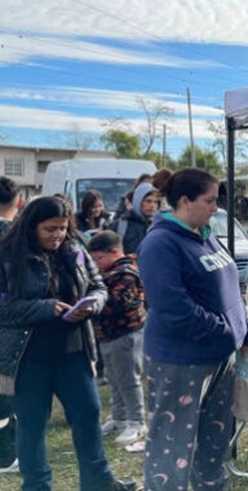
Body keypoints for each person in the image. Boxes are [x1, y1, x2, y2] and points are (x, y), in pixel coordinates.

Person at [0, 196, 136, 490]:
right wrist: (46, 308)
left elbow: (98, 285)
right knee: (32, 427)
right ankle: (36, 486)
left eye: (62, 228)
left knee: (88, 417)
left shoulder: (74, 249)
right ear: (31, 225)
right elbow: (4, 308)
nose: (58, 235)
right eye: (50, 229)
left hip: (74, 353)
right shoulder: (8, 255)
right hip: (28, 360)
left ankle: (98, 483)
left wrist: (93, 304)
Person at [138, 168, 248, 491]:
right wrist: (223, 331)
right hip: (180, 362)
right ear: (185, 201)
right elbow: (172, 307)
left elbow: (230, 287)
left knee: (214, 440)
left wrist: (243, 330)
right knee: (172, 446)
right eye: (210, 200)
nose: (215, 207)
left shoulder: (205, 234)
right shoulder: (161, 243)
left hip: (219, 358)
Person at [87, 230, 147, 445]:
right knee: (114, 378)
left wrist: (94, 302)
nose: (96, 264)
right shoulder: (107, 273)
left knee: (129, 379)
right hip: (107, 336)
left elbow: (124, 303)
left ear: (113, 252)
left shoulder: (126, 273)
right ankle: (119, 416)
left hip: (126, 334)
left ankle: (136, 421)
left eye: (98, 259)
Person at [0, 176, 21, 475]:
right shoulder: (13, 236)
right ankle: (5, 456)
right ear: (18, 202)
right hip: (8, 325)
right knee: (5, 391)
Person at [110, 182, 159, 255]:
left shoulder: (158, 226)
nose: (152, 205)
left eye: (156, 202)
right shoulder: (120, 225)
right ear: (138, 201)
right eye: (148, 201)